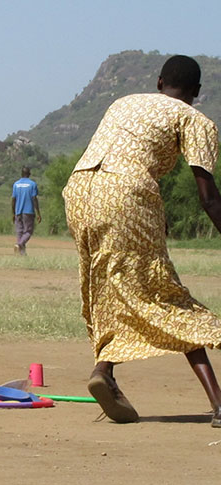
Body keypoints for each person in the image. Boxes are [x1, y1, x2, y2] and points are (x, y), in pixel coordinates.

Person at [63, 55, 221, 427]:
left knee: (112, 287)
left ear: (159, 81)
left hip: (81, 191)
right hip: (127, 193)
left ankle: (105, 372)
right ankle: (218, 403)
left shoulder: (123, 102)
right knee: (163, 294)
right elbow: (209, 197)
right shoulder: (194, 119)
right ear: (196, 92)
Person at [12, 167, 41, 255]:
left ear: (21, 174)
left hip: (18, 211)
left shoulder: (16, 184)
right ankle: (19, 244)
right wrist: (38, 213)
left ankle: (22, 253)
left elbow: (13, 199)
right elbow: (34, 198)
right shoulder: (32, 184)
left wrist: (13, 213)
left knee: (20, 232)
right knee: (28, 231)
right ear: (29, 174)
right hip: (28, 211)